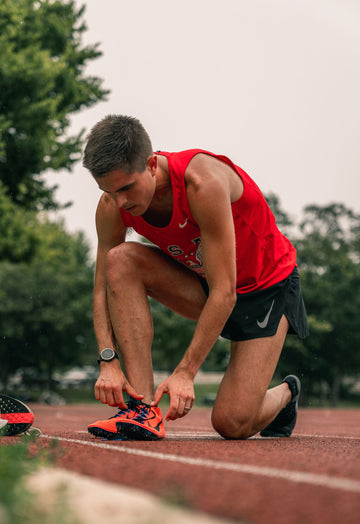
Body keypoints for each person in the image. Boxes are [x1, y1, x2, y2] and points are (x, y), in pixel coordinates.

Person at [83, 115, 308, 441]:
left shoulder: (201, 183)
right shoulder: (112, 205)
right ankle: (142, 409)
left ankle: (286, 393)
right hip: (206, 286)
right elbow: (102, 289)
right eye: (108, 191)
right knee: (120, 261)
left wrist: (185, 373)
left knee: (232, 424)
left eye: (126, 188)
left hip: (265, 290)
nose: (121, 203)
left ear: (150, 165)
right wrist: (108, 359)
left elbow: (225, 293)